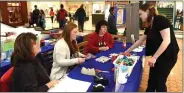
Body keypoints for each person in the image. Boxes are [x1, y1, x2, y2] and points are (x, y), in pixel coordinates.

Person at [122, 3, 179, 92]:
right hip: (157, 56)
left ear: (147, 12)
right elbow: (140, 41)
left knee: (159, 82)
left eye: (140, 14)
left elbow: (167, 40)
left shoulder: (160, 20)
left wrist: (155, 57)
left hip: (167, 57)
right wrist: (127, 51)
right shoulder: (150, 25)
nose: (140, 17)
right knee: (152, 80)